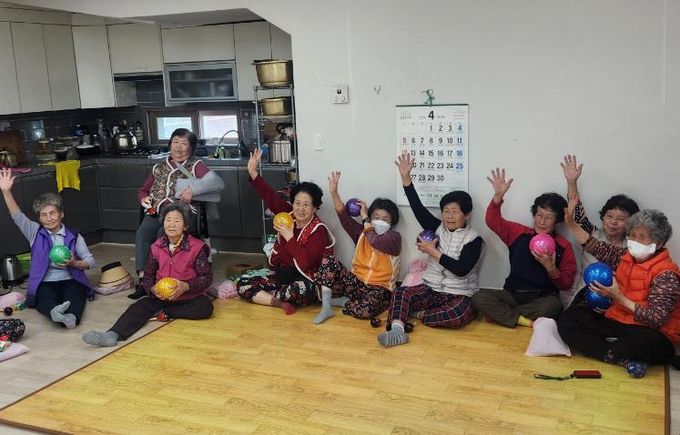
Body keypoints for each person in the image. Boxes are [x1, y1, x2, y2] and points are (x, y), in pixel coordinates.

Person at [558, 198, 680, 378]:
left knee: (646, 342)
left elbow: (656, 319)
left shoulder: (667, 274)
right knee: (569, 320)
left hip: (650, 332)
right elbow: (595, 246)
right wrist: (571, 224)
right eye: (633, 235)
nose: (634, 241)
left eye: (642, 237)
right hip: (618, 321)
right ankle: (619, 357)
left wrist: (618, 297)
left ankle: (613, 350)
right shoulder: (625, 256)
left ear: (659, 243)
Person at [377, 152, 485, 348]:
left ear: (467, 215)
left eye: (455, 212)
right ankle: (397, 331)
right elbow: (417, 208)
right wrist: (406, 178)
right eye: (446, 211)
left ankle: (417, 314)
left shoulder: (474, 239)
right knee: (401, 293)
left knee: (458, 314)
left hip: (459, 294)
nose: (449, 216)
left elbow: (461, 269)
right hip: (431, 288)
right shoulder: (436, 227)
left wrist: (433, 251)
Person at [82, 202, 214, 347]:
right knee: (138, 306)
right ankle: (112, 335)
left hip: (189, 297)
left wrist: (185, 286)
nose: (171, 225)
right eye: (168, 220)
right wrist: (152, 289)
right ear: (163, 223)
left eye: (177, 221)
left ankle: (165, 312)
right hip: (162, 297)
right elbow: (148, 275)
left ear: (185, 226)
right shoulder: (156, 247)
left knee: (205, 307)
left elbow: (206, 277)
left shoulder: (197, 247)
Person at [471, 168, 576, 328]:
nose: (542, 221)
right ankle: (522, 319)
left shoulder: (563, 245)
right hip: (512, 294)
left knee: (554, 306)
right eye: (539, 215)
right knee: (478, 297)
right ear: (534, 215)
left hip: (541, 298)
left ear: (557, 221)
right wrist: (498, 197)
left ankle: (503, 315)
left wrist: (552, 269)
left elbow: (566, 284)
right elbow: (492, 220)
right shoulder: (518, 233)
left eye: (548, 217)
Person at [130, 128, 224, 299]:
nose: (179, 147)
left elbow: (218, 183)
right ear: (170, 144)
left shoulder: (195, 165)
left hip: (182, 214)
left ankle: (164, 279)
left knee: (163, 234)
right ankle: (144, 281)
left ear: (191, 148)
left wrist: (193, 190)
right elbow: (143, 190)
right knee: (143, 233)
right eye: (175, 142)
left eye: (184, 143)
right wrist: (144, 198)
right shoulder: (159, 166)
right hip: (156, 211)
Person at [237, 149, 335, 314]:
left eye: (306, 205)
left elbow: (306, 263)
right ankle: (278, 302)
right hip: (283, 276)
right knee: (243, 283)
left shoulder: (318, 230)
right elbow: (271, 198)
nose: (300, 209)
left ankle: (269, 296)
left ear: (315, 208)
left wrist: (289, 237)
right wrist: (253, 172)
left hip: (307, 279)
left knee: (300, 290)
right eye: (297, 203)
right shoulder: (289, 214)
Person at [0, 168, 95, 329]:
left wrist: (74, 263)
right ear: (39, 218)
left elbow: (90, 261)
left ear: (61, 214)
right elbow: (17, 216)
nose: (49, 218)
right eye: (44, 215)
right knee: (44, 298)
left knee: (76, 296)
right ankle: (55, 312)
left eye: (53, 213)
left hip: (70, 279)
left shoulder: (74, 235)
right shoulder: (34, 232)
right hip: (45, 282)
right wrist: (6, 192)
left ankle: (72, 317)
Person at [313, 171, 401, 324]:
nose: (379, 221)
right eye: (376, 217)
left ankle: (344, 302)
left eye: (385, 219)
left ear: (392, 222)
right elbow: (343, 217)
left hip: (380, 289)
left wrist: (365, 218)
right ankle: (326, 307)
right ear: (371, 218)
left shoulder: (394, 238)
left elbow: (374, 240)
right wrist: (334, 193)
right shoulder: (361, 233)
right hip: (356, 283)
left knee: (366, 311)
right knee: (328, 261)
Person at [560, 154, 639, 301]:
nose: (613, 222)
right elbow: (576, 212)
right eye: (609, 216)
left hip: (617, 300)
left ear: (630, 223)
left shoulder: (633, 247)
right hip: (585, 297)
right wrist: (571, 182)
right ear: (603, 217)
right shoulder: (592, 233)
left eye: (621, 219)